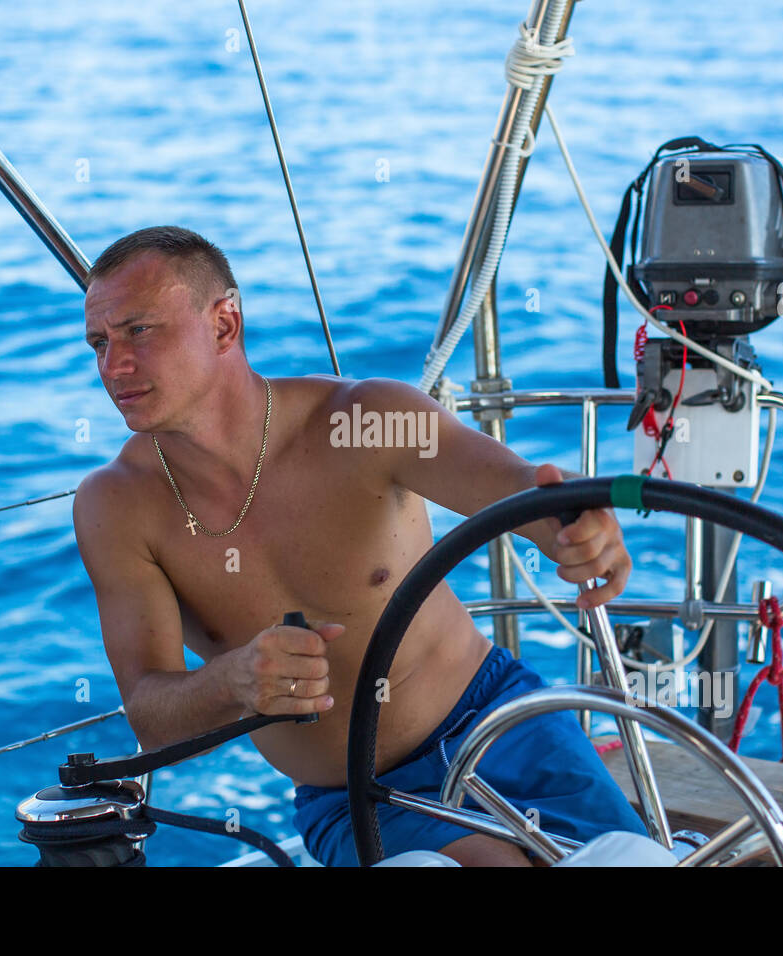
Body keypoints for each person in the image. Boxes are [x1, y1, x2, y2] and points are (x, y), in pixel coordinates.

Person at [74, 225, 648, 866]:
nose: (113, 364)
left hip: (505, 724)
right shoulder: (117, 505)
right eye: (100, 342)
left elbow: (518, 490)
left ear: (224, 325)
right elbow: (151, 717)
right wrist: (233, 682)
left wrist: (577, 524)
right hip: (353, 794)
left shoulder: (363, 419)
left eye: (138, 331)